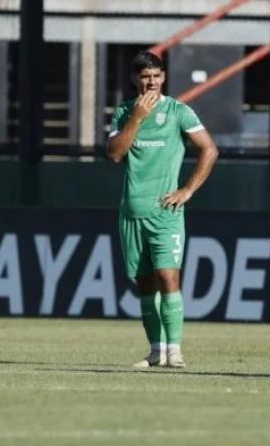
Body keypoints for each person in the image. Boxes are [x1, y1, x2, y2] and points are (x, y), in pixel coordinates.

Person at [107, 50, 218, 369]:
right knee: (144, 284)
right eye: (145, 77)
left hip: (166, 212)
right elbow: (114, 154)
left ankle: (176, 350)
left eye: (156, 76)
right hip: (132, 211)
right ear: (135, 80)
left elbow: (209, 149)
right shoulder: (124, 112)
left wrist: (188, 190)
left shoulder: (179, 111)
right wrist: (137, 119)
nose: (152, 82)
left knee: (169, 277)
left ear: (164, 78)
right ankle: (156, 350)